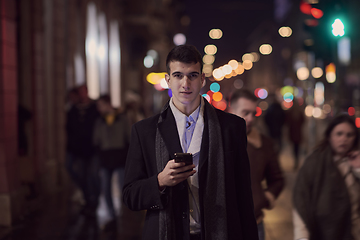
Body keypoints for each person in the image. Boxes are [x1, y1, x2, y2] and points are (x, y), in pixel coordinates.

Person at [122, 45, 258, 240]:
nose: (185, 84)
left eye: (192, 75)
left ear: (202, 79)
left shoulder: (231, 128)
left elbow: (244, 197)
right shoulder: (145, 131)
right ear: (168, 80)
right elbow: (130, 196)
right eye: (178, 75)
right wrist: (160, 181)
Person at [228, 89, 285, 240]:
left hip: (254, 223)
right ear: (231, 110)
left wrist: (264, 197)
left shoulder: (264, 143)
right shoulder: (217, 139)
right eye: (245, 112)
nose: (251, 118)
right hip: (222, 225)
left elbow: (277, 178)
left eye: (254, 113)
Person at [293, 114, 360, 240]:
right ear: (329, 136)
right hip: (322, 234)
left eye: (349, 135)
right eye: (339, 134)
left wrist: (357, 168)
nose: (344, 139)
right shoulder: (314, 163)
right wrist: (301, 237)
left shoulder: (356, 162)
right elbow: (301, 203)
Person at [93, 94, 130, 229]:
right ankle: (113, 216)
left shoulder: (122, 118)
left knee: (123, 188)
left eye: (100, 105)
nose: (99, 108)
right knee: (106, 189)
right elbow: (96, 139)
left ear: (107, 104)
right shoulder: (99, 120)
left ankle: (124, 214)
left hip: (119, 157)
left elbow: (129, 137)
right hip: (105, 158)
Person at [66, 84, 100, 216]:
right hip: (79, 150)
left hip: (93, 149)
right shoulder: (73, 110)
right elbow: (69, 129)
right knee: (82, 176)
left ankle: (94, 200)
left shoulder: (94, 108)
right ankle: (88, 200)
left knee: (93, 176)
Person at [286, 99, 305, 170]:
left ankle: (296, 161)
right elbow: (303, 122)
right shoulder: (299, 113)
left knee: (294, 149)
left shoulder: (290, 112)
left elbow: (287, 122)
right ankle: (296, 161)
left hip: (293, 133)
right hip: (297, 134)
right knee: (297, 148)